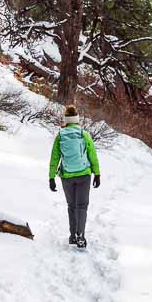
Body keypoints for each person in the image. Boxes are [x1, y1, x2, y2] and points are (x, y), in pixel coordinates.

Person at [49, 104, 101, 249]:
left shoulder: (60, 135)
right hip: (84, 174)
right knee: (82, 206)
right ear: (77, 120)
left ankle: (73, 236)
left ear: (66, 120)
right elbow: (93, 155)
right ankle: (81, 236)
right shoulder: (84, 134)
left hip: (66, 176)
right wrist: (97, 174)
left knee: (71, 206)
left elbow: (54, 158)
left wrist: (51, 177)